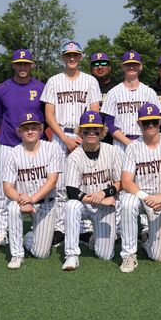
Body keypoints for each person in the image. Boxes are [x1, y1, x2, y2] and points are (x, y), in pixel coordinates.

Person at [40, 40, 103, 246]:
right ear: (63, 57)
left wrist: (83, 136)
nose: (72, 58)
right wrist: (65, 138)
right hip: (61, 136)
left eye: (75, 55)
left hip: (84, 135)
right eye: (68, 55)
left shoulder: (90, 81)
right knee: (58, 185)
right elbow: (49, 115)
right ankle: (60, 228)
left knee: (83, 182)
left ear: (81, 57)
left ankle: (83, 229)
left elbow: (94, 111)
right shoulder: (54, 81)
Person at [0, 49, 46, 248]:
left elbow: (46, 116)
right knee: (4, 188)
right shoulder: (3, 88)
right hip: (9, 143)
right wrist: (10, 128)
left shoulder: (41, 87)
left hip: (36, 145)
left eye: (26, 63)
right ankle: (2, 230)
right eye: (19, 63)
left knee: (38, 184)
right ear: (13, 65)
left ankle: (38, 227)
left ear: (32, 65)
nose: (22, 67)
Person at [118, 104, 161, 272]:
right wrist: (145, 197)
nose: (150, 125)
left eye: (154, 122)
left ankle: (148, 241)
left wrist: (160, 197)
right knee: (127, 202)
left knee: (158, 256)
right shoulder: (133, 147)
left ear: (160, 122)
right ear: (139, 124)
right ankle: (128, 255)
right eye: (146, 122)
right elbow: (126, 181)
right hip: (142, 198)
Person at [61, 111, 123, 271]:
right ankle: (71, 255)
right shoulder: (74, 156)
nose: (91, 133)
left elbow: (121, 182)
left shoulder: (113, 151)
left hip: (105, 206)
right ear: (80, 132)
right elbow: (72, 192)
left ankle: (94, 239)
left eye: (96, 130)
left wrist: (103, 194)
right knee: (71, 206)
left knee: (105, 255)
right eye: (86, 130)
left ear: (102, 131)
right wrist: (99, 199)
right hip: (84, 205)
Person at [1, 112, 64, 269]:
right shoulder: (13, 153)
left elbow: (52, 180)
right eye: (26, 128)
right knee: (13, 208)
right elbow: (7, 187)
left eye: (34, 128)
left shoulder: (52, 149)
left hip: (46, 203)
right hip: (23, 202)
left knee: (41, 254)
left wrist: (32, 199)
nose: (30, 131)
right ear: (19, 131)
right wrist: (21, 199)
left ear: (41, 130)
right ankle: (17, 255)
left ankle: (30, 236)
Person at [100, 50, 161, 151]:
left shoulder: (150, 92)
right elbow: (108, 123)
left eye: (135, 64)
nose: (131, 67)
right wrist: (127, 142)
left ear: (140, 67)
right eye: (128, 65)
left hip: (145, 142)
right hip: (120, 145)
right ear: (123, 67)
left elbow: (158, 121)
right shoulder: (113, 93)